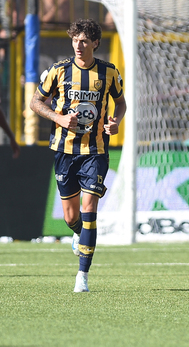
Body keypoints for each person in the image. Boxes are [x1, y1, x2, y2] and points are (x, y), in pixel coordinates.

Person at [30, 19, 126, 292]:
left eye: (84, 41)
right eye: (75, 40)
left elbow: (120, 103)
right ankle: (79, 235)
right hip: (64, 151)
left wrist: (115, 122)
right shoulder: (58, 71)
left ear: (96, 43)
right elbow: (35, 102)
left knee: (89, 209)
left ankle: (82, 276)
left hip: (95, 151)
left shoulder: (109, 73)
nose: (79, 46)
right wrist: (58, 118)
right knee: (72, 218)